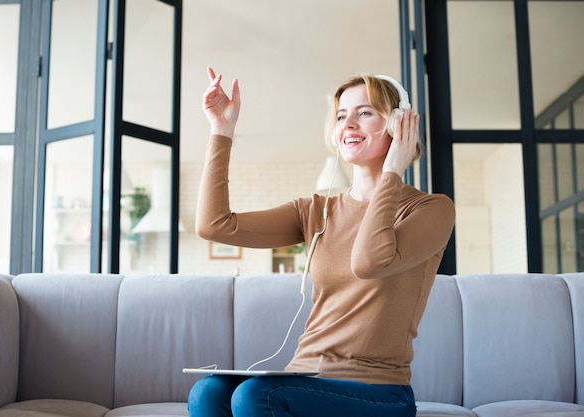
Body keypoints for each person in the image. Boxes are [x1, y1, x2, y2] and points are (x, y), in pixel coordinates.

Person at [188, 67, 455, 417]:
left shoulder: (430, 209)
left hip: (379, 393)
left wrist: (392, 171)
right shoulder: (315, 210)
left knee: (256, 397)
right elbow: (214, 225)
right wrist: (221, 130)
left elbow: (369, 261)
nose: (349, 124)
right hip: (304, 379)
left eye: (365, 113)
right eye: (342, 116)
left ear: (397, 124)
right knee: (208, 392)